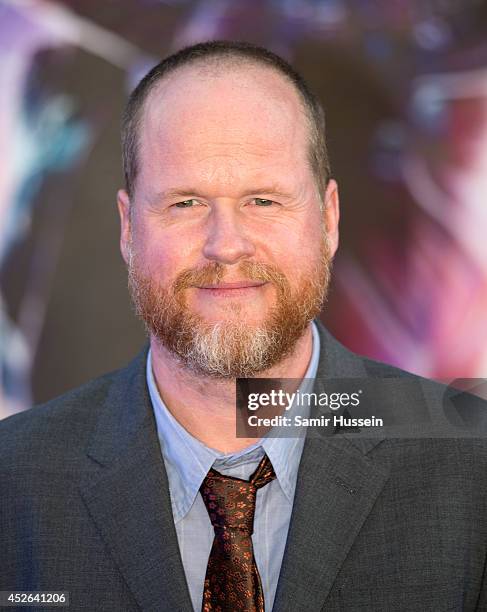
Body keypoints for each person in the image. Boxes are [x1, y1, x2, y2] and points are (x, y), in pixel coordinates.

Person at [1, 40, 486, 612]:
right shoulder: (14, 482)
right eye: (185, 203)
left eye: (262, 200)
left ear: (328, 219)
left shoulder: (471, 467)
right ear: (129, 229)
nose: (226, 245)